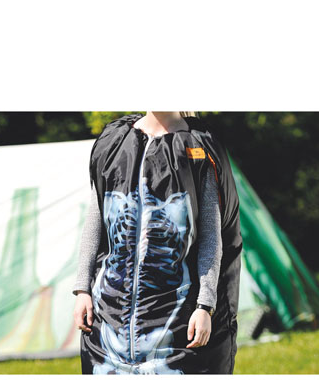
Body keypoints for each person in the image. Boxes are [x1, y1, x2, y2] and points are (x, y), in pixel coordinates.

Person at [72, 112, 242, 374]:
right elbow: (94, 223)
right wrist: (82, 289)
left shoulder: (198, 148)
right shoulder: (114, 143)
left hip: (175, 323)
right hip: (108, 323)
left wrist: (205, 306)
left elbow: (212, 238)